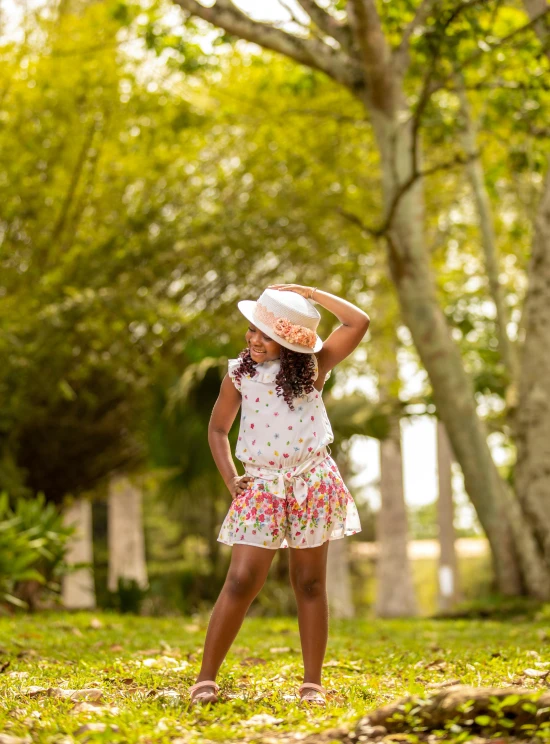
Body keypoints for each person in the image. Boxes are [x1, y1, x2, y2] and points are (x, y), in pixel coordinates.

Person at [188, 284, 370, 706]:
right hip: (262, 485)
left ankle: (312, 684)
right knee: (240, 580)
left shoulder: (314, 370)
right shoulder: (238, 374)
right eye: (252, 329)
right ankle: (205, 679)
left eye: (265, 335)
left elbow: (358, 322)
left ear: (290, 343)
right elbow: (217, 429)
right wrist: (232, 479)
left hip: (311, 481)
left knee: (308, 583)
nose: (253, 339)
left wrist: (311, 294)